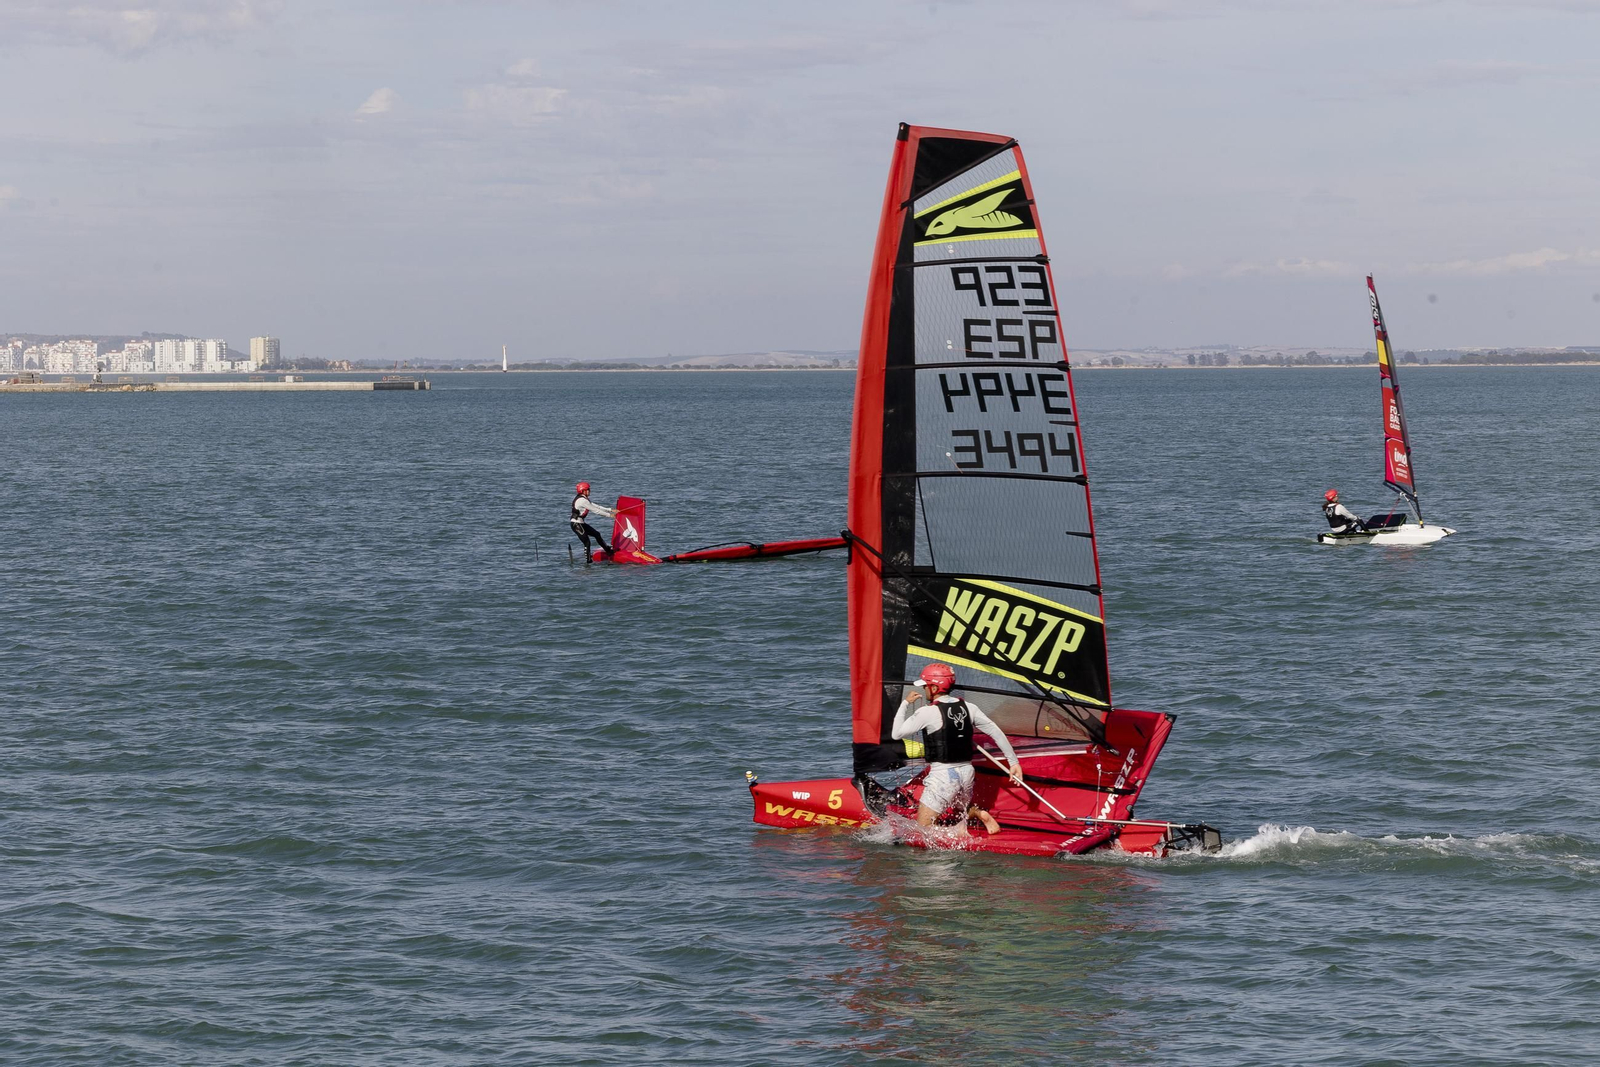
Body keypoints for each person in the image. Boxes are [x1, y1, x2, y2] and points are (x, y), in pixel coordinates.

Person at [890, 663, 1023, 836]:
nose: (924, 689)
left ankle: (957, 831)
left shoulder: (927, 712)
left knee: (922, 830)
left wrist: (905, 703)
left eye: (925, 686)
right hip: (967, 772)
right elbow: (995, 731)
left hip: (943, 776)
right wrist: (1013, 762)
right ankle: (976, 812)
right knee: (959, 809)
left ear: (934, 687)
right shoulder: (970, 707)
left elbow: (896, 733)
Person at [570, 481, 615, 558]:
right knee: (587, 542)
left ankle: (608, 551)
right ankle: (588, 561)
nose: (589, 491)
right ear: (583, 491)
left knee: (597, 534)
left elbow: (596, 506)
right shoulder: (582, 501)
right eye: (588, 489)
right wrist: (609, 515)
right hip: (576, 524)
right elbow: (595, 510)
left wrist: (610, 510)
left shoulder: (584, 499)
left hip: (581, 523)